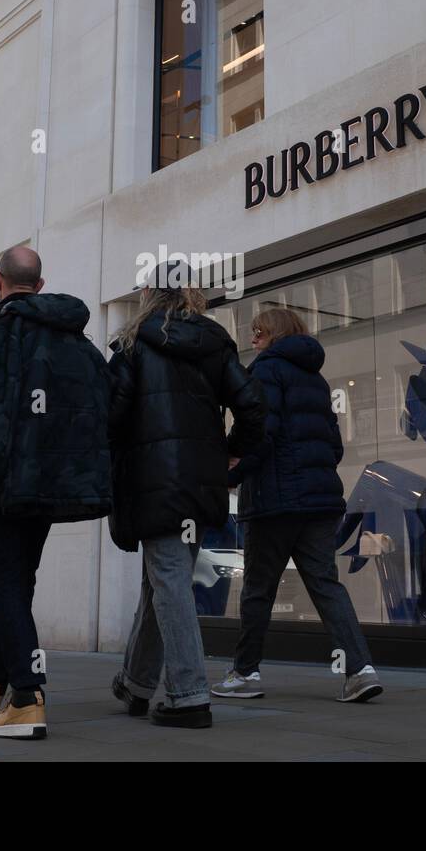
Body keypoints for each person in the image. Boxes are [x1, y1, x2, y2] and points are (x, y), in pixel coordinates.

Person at [0, 246, 113, 740]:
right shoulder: (75, 337)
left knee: (6, 583)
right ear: (39, 286)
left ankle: (26, 695)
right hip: (50, 481)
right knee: (17, 582)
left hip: (4, 478)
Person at [108, 268, 266, 728]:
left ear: (146, 296)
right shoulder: (216, 343)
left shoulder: (132, 345)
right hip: (200, 485)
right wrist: (231, 452)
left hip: (154, 482)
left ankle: (189, 695)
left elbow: (110, 416)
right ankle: (136, 684)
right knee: (162, 579)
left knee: (169, 582)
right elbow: (253, 406)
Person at [212, 308, 383, 703]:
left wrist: (229, 474)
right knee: (326, 585)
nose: (252, 340)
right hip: (320, 501)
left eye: (258, 333)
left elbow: (261, 436)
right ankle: (359, 670)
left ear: (274, 335)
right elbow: (334, 446)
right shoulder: (317, 380)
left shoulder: (266, 371)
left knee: (257, 590)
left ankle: (244, 673)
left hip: (275, 501)